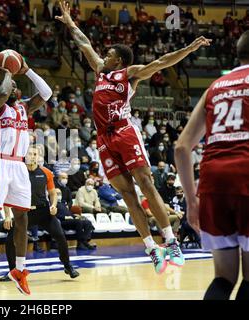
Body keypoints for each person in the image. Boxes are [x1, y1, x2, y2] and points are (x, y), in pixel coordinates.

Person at [56, 1, 211, 274]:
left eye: (108, 54)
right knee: (127, 194)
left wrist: (189, 49)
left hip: (125, 131)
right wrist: (70, 23)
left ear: (119, 60)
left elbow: (161, 62)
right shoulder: (101, 71)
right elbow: (84, 44)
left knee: (145, 183)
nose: (103, 56)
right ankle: (152, 247)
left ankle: (172, 242)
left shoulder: (128, 74)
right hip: (103, 139)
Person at [175, 30, 249, 300]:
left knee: (223, 278)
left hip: (213, 184)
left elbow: (182, 147)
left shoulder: (214, 87)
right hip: (246, 177)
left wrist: (192, 202)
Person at [0, 58, 52, 296]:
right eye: (13, 85)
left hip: (19, 167)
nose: (15, 88)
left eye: (17, 85)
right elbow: (4, 92)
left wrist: (27, 71)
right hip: (1, 163)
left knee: (22, 219)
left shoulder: (25, 108)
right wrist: (8, 72)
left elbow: (46, 92)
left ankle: (19, 270)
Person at [0, 146, 79, 282]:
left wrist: (53, 205)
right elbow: (7, 195)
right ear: (25, 156)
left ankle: (67, 266)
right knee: (10, 241)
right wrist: (7, 215)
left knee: (60, 236)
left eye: (35, 154)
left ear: (38, 156)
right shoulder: (17, 172)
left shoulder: (46, 172)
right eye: (29, 153)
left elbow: (52, 193)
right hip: (24, 213)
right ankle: (13, 271)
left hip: (43, 211)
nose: (32, 156)